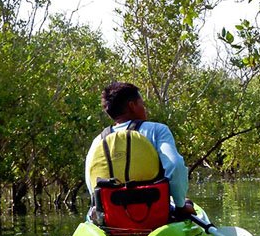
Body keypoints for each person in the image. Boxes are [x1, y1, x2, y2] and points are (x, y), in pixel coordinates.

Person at [84, 82, 196, 216]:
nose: (145, 108)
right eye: (142, 103)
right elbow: (175, 166)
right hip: (154, 214)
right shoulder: (157, 130)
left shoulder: (98, 141)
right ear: (132, 106)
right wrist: (180, 205)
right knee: (187, 202)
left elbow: (91, 180)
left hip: (113, 217)